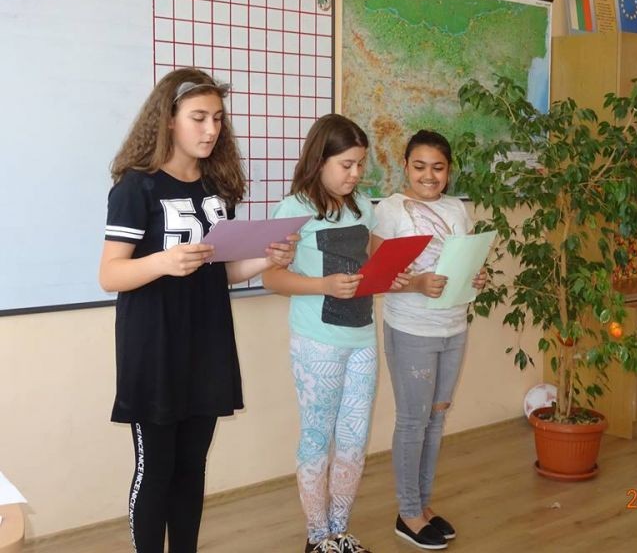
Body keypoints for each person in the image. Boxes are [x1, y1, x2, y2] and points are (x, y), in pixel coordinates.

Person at [99, 67, 296, 553]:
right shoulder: (136, 188)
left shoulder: (216, 189)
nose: (211, 129)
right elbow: (110, 275)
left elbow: (219, 272)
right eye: (199, 117)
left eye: (218, 119)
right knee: (156, 469)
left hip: (207, 342)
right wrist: (164, 261)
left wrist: (265, 259)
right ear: (168, 119)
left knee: (192, 467)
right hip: (154, 347)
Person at [262, 114, 406, 553]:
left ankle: (340, 532)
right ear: (319, 159)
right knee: (317, 438)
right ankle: (317, 537)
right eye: (346, 164)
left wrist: (390, 274)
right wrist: (323, 285)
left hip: (361, 337)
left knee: (353, 441)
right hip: (316, 341)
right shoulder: (293, 209)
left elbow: (372, 264)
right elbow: (271, 277)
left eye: (360, 164)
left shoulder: (363, 206)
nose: (356, 173)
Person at [372, 130, 487, 550]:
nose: (428, 175)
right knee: (413, 420)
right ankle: (407, 512)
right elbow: (379, 275)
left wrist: (477, 276)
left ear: (449, 170)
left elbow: (463, 262)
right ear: (405, 166)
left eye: (438, 168)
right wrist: (418, 283)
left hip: (454, 327)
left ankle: (422, 504)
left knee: (437, 419)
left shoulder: (457, 208)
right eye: (419, 166)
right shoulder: (389, 210)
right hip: (411, 329)